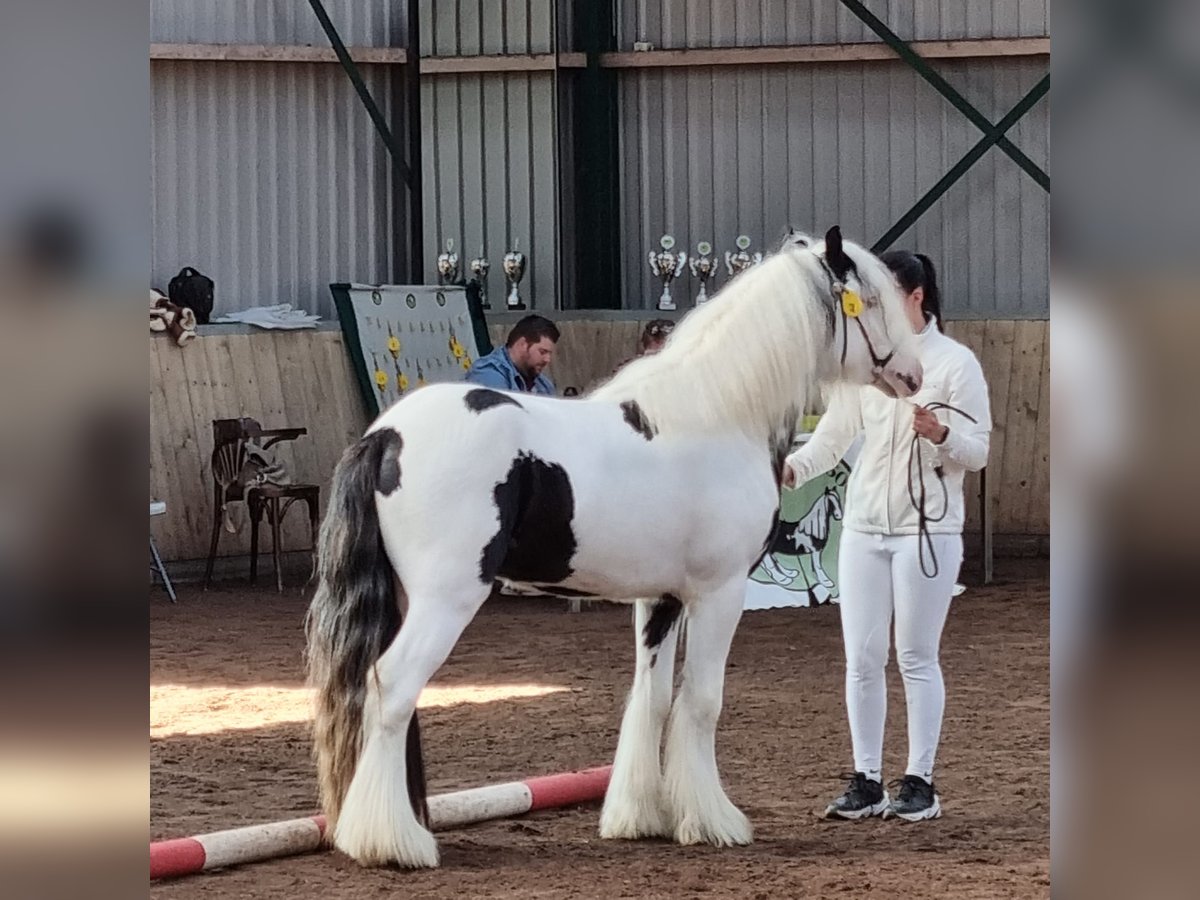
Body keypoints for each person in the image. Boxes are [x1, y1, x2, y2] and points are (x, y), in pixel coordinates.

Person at [782, 251, 991, 823]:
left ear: (916, 296)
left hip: (928, 529)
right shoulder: (867, 366)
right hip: (866, 526)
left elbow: (978, 452)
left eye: (885, 296)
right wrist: (794, 469)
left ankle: (920, 779)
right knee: (862, 658)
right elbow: (834, 436)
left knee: (916, 656)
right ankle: (867, 778)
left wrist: (942, 434)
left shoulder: (956, 364)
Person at [465, 314, 559, 394]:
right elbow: (499, 409)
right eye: (542, 352)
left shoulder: (543, 384)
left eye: (549, 353)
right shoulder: (488, 373)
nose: (547, 359)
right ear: (523, 344)